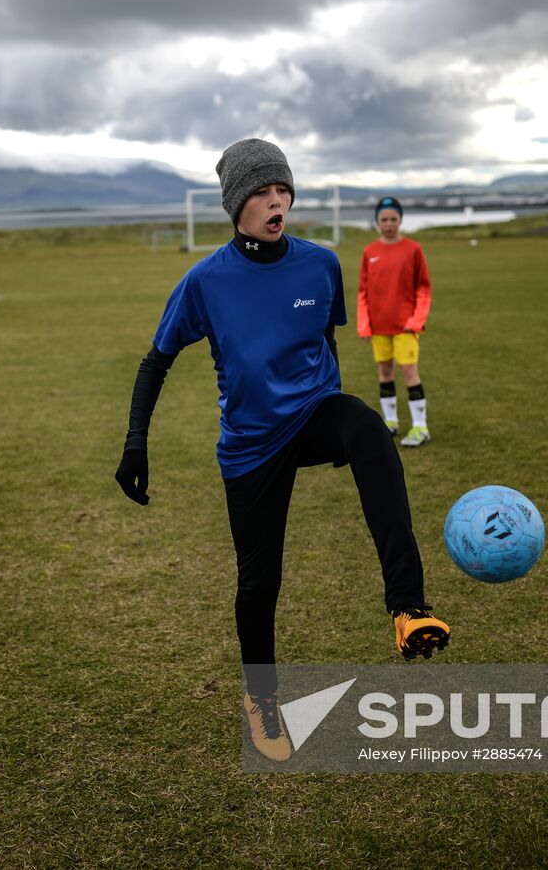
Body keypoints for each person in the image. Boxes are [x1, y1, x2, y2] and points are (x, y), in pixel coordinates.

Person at [114, 139, 449, 763]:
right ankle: (262, 701)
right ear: (236, 204)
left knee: (370, 429)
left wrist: (333, 414)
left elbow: (323, 340)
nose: (277, 202)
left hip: (315, 412)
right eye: (263, 193)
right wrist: (136, 443)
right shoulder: (205, 282)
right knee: (260, 579)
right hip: (251, 443)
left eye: (283, 190)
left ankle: (408, 608)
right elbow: (156, 361)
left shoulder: (320, 265)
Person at [357, 197, 433, 447]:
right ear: (377, 222)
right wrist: (364, 323)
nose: (389, 224)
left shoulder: (413, 249)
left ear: (400, 220)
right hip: (379, 327)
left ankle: (420, 427)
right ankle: (390, 422)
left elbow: (423, 288)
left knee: (409, 371)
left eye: (393, 219)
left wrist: (416, 320)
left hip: (406, 327)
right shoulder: (370, 252)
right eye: (384, 219)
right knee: (385, 371)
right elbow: (363, 292)